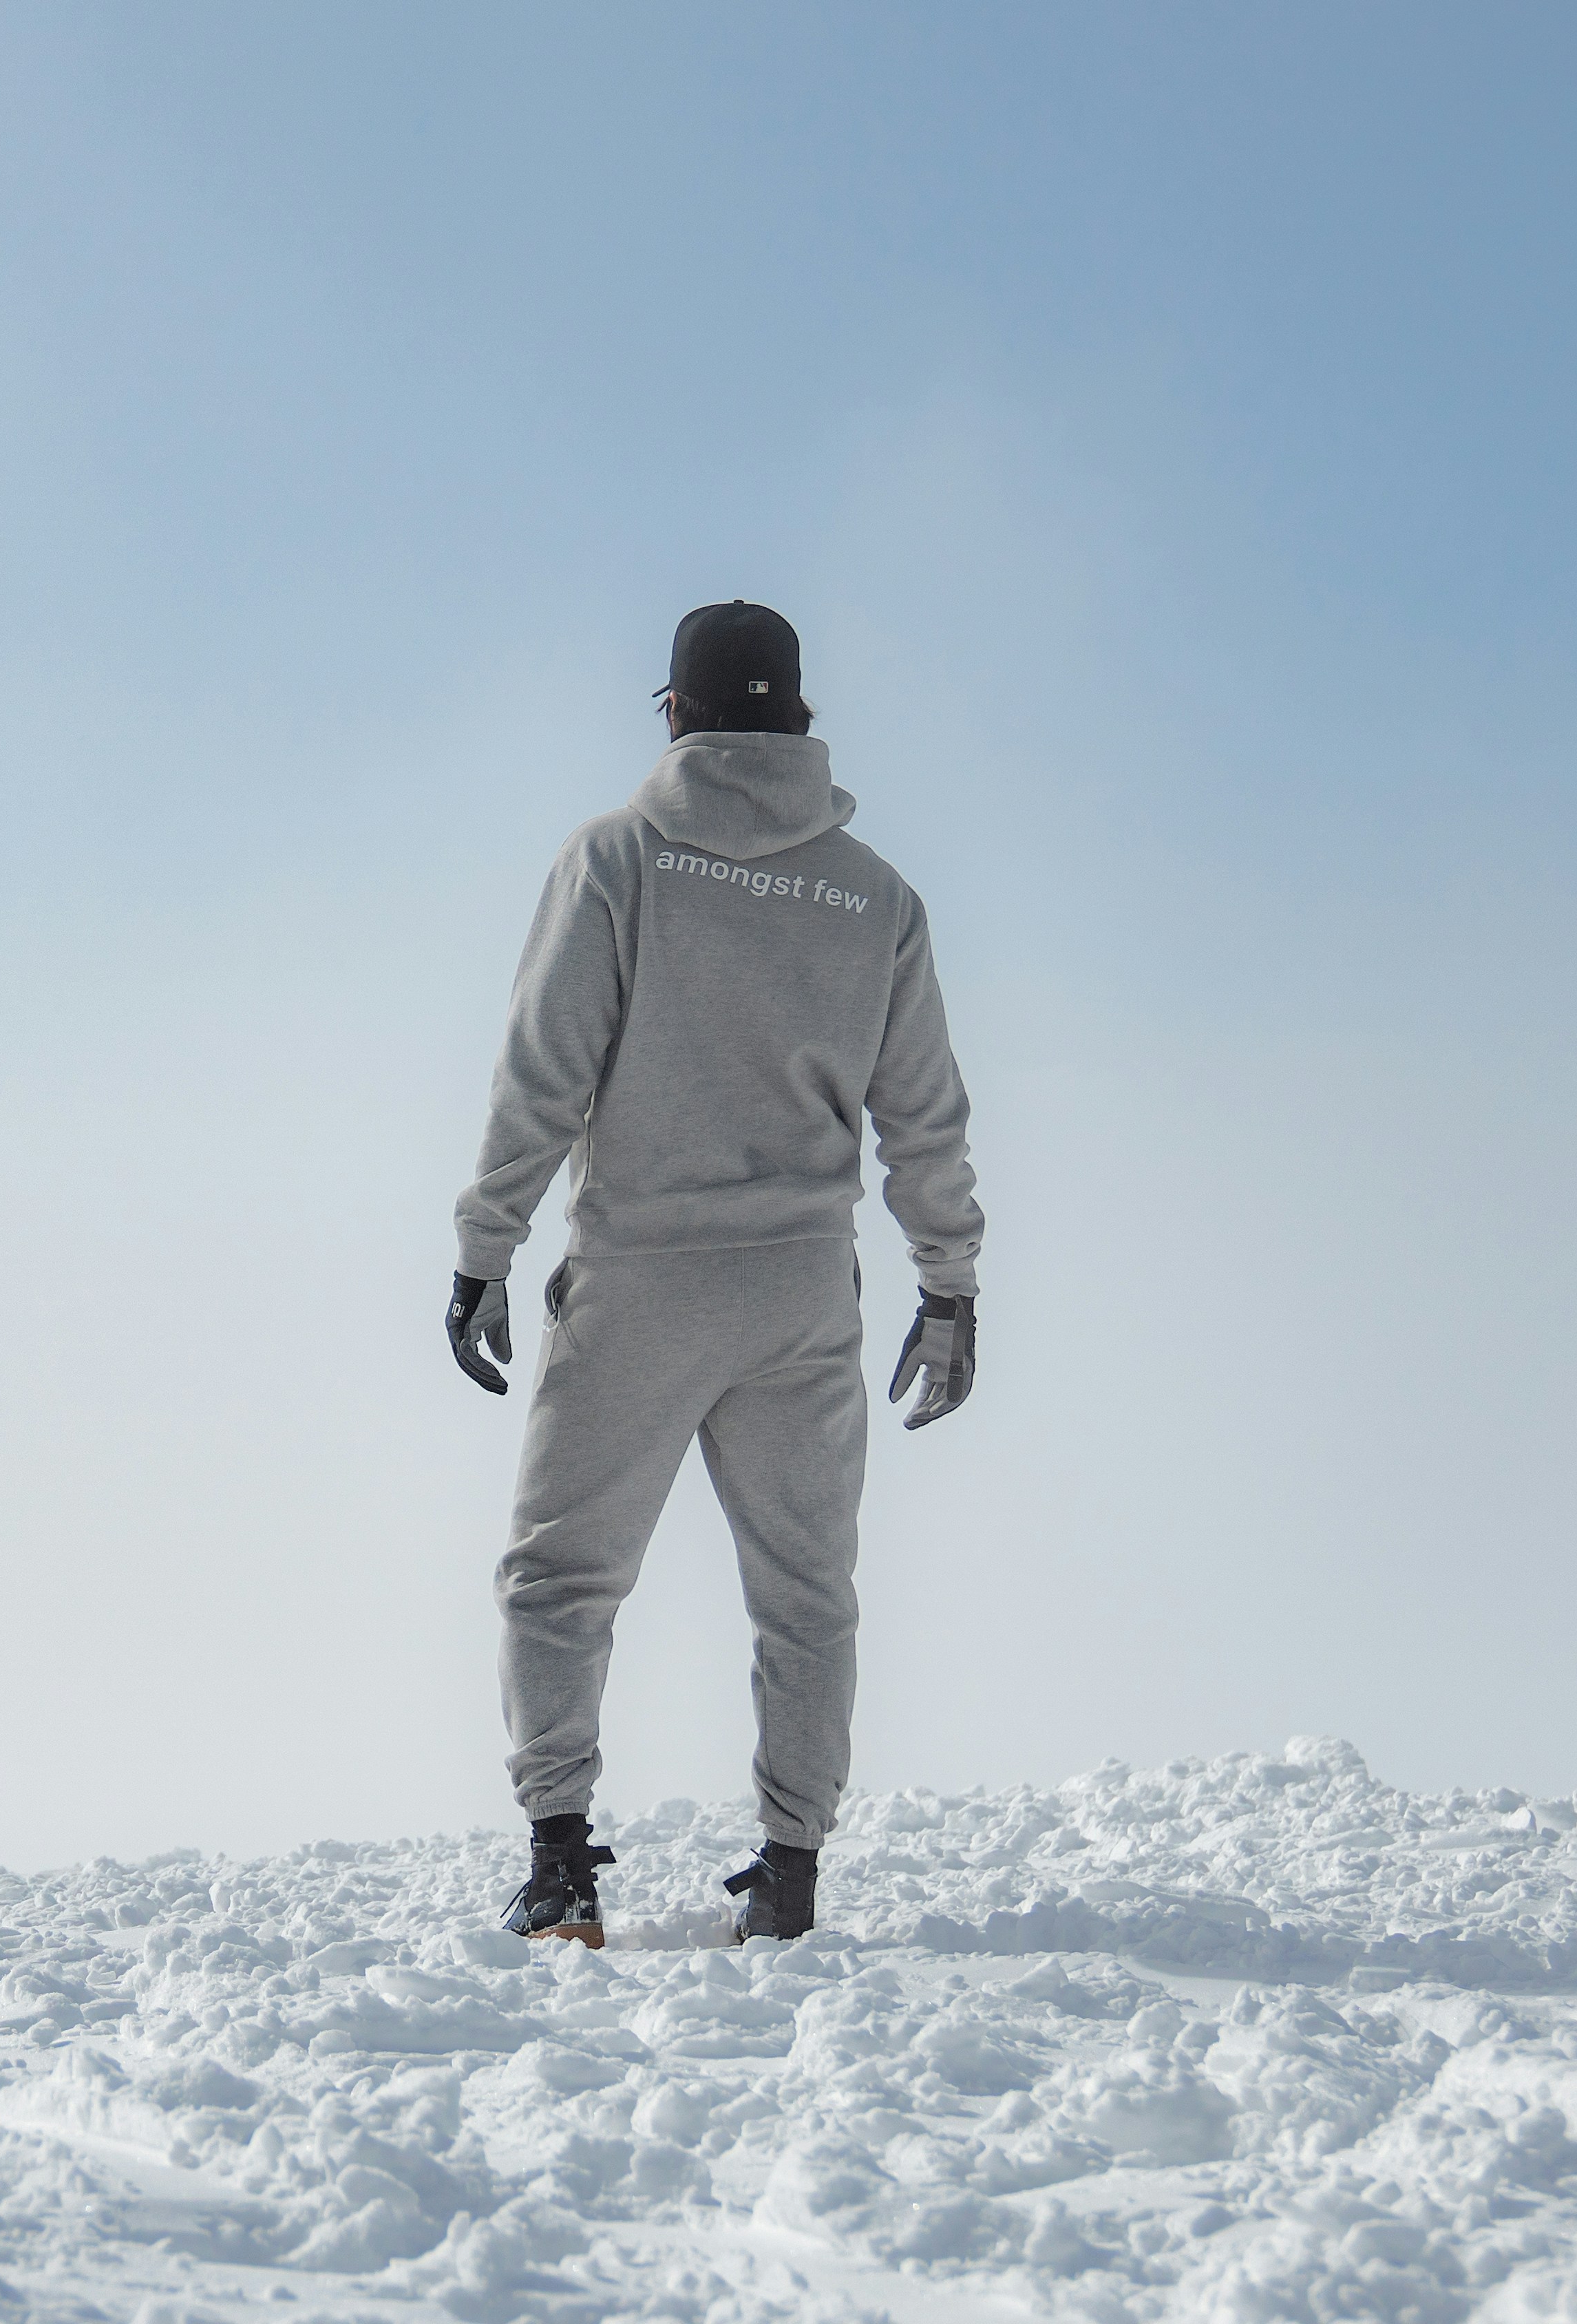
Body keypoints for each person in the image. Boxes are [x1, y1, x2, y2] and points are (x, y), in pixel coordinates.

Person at [445, 601, 983, 1947]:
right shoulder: (877, 897)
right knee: (806, 1594)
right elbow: (924, 1115)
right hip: (802, 1293)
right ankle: (791, 1875)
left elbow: (543, 1074)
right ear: (799, 719)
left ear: (675, 716)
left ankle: (563, 1868)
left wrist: (485, 1244)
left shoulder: (619, 860)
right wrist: (951, 1283)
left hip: (639, 1281)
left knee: (561, 1579)